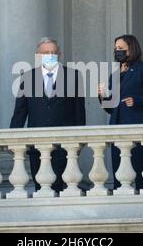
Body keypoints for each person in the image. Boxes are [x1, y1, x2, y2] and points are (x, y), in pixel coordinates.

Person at [10, 38, 86, 193]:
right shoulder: (28, 77)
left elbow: (79, 110)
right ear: (38, 56)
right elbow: (20, 112)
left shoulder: (73, 75)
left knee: (59, 184)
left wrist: (80, 138)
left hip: (64, 142)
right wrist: (13, 136)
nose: (50, 55)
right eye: (46, 53)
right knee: (40, 186)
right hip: (36, 143)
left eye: (53, 52)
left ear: (59, 54)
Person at [98, 35, 143, 190]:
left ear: (131, 48)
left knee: (138, 167)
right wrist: (102, 96)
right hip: (117, 126)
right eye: (115, 49)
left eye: (120, 48)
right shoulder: (115, 75)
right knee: (119, 169)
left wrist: (136, 100)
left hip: (137, 123)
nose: (117, 51)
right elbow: (112, 107)